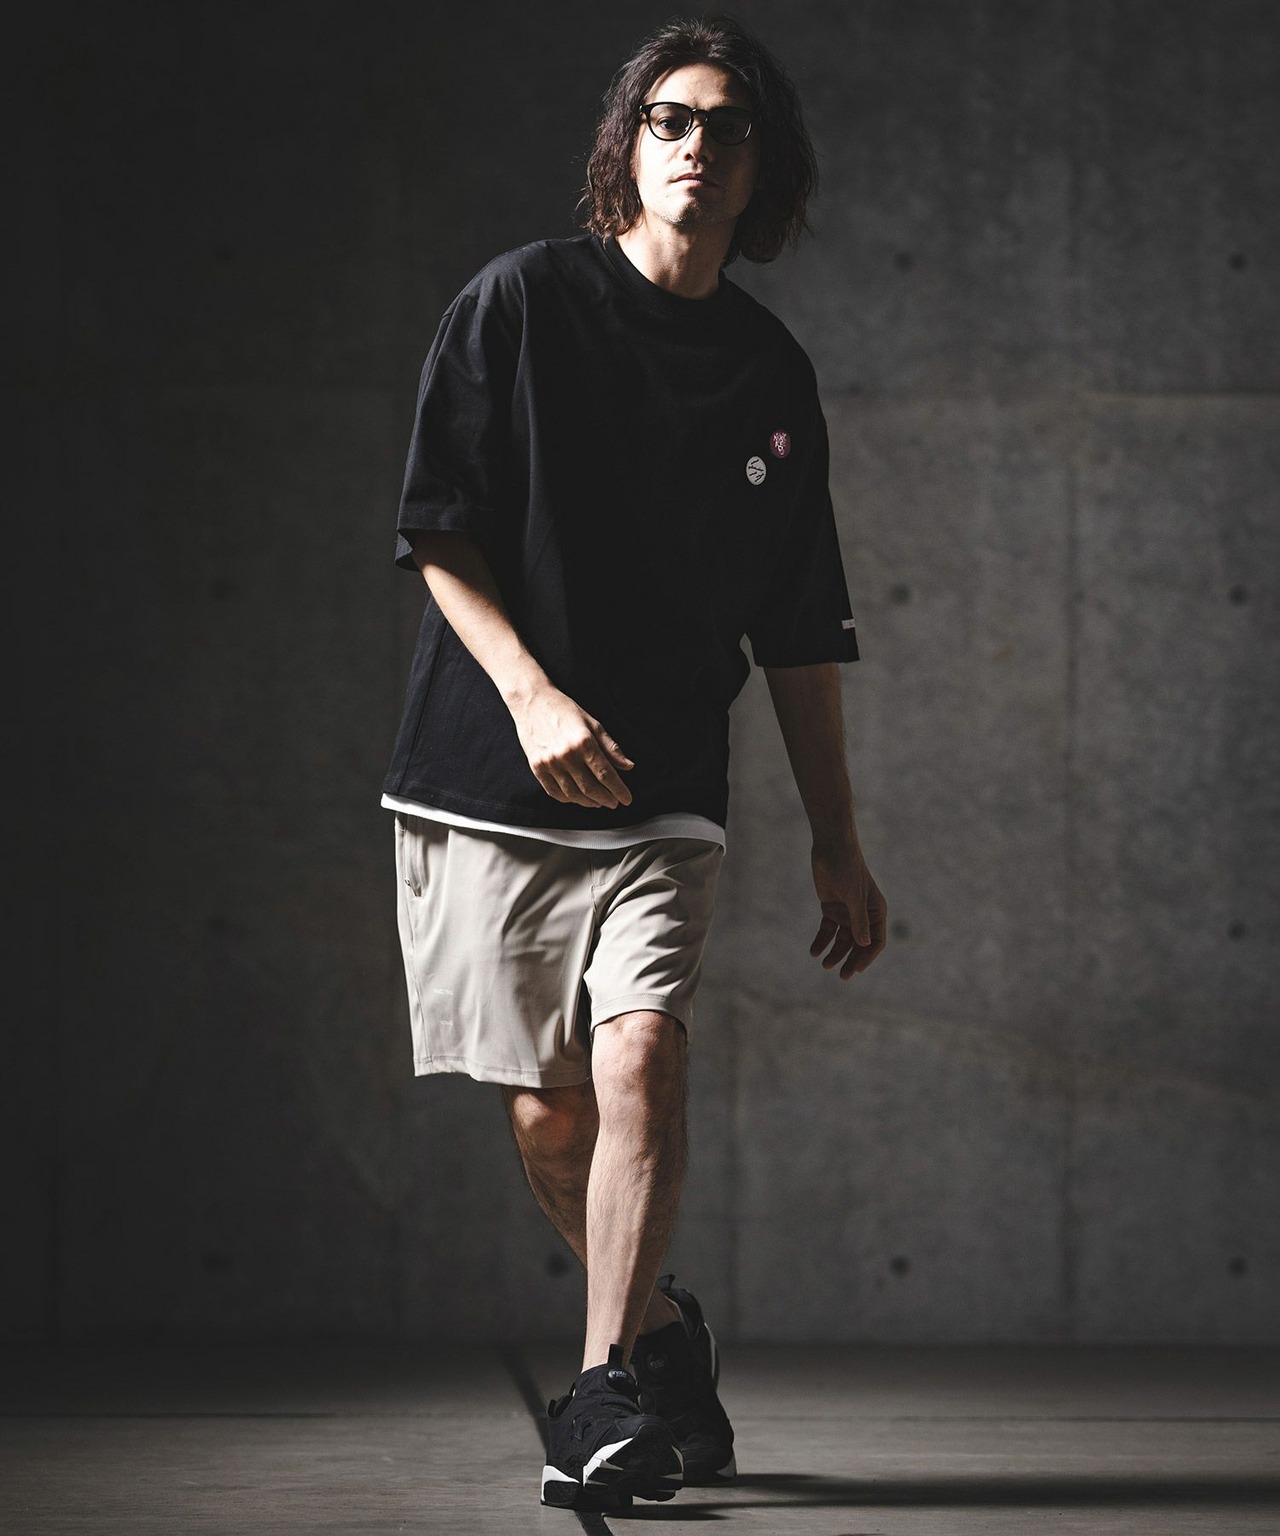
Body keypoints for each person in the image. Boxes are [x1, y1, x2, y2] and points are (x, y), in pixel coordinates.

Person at [381, 11, 887, 1512]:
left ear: (762, 166)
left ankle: (603, 1392)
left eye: (727, 124)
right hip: (488, 774)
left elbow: (799, 628)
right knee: (552, 1118)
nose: (696, 144)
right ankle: (662, 1337)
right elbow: (438, 532)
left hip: (667, 785)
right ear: (629, 144)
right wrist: (533, 694)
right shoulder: (521, 301)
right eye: (670, 117)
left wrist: (838, 839)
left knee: (644, 1056)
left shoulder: (771, 374)